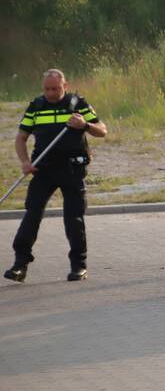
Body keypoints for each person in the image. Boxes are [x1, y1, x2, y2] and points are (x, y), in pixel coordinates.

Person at [5, 69, 107, 282]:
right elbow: (21, 137)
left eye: (55, 88)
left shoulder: (78, 104)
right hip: (43, 169)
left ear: (65, 86)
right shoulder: (36, 107)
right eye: (47, 89)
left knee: (74, 218)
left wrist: (84, 125)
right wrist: (25, 162)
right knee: (32, 214)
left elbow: (102, 130)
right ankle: (19, 265)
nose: (51, 93)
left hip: (71, 170)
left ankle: (79, 267)